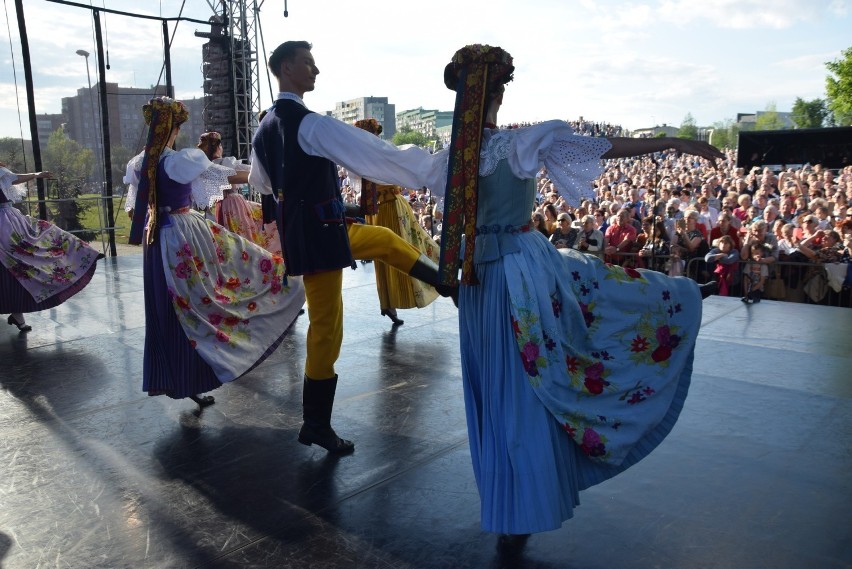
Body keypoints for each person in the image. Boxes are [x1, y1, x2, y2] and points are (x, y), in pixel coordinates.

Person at [438, 44, 722, 551]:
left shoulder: (455, 157)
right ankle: (519, 501)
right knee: (527, 379)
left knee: (505, 384)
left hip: (484, 278)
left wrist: (670, 141)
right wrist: (670, 142)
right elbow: (602, 146)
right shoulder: (515, 145)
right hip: (510, 274)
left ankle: (515, 501)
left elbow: (377, 159)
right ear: (495, 92)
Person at [249, 41, 455, 455]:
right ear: (287, 68)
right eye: (308, 63)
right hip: (320, 234)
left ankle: (446, 283)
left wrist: (313, 199)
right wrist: (433, 167)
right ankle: (315, 423)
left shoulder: (266, 125)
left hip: (309, 232)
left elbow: (263, 183)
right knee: (327, 325)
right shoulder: (310, 124)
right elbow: (372, 154)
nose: (316, 70)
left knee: (380, 240)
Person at [129, 97, 305, 409]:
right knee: (212, 291)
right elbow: (226, 176)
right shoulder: (178, 160)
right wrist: (272, 173)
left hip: (155, 239)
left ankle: (180, 377)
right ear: (175, 127)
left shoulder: (140, 162)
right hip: (181, 234)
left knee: (172, 308)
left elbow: (135, 212)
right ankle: (278, 295)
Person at [353, 118, 440, 326]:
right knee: (389, 255)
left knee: (406, 247)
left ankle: (431, 276)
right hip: (382, 209)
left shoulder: (379, 153)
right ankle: (389, 302)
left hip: (391, 206)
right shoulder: (363, 157)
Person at [1, 164, 102, 332]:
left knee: (27, 255)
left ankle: (81, 254)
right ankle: (17, 315)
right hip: (5, 224)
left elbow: (14, 178)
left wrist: (35, 174)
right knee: (11, 270)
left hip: (6, 222)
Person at [195, 131, 283, 256]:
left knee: (231, 242)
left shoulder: (204, 167)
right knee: (252, 235)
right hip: (234, 204)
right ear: (218, 147)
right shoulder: (225, 162)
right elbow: (250, 171)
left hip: (216, 208)